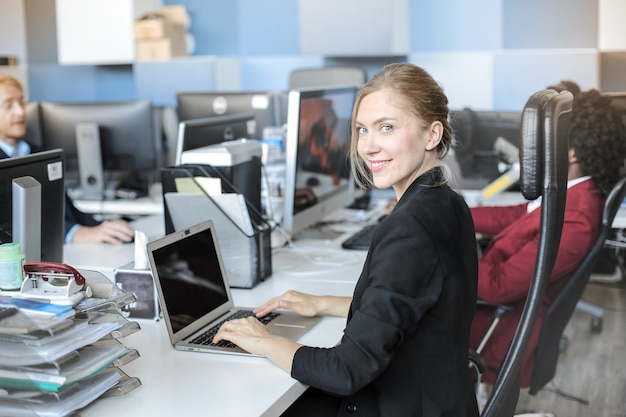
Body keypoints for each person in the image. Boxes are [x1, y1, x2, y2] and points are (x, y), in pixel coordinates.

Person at [214, 63, 480, 416]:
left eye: (387, 127)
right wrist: (324, 303)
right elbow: (413, 301)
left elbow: (346, 371)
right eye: (361, 130)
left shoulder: (409, 227)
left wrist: (264, 341)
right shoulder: (447, 202)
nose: (368, 146)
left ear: (432, 135)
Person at [469, 87, 626, 387]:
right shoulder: (570, 192)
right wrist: (444, 214)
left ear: (572, 152)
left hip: (496, 333)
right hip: (490, 314)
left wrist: (439, 254)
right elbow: (517, 215)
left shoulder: (576, 217)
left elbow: (499, 286)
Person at [0, 74, 134, 245]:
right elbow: (11, 226)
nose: (20, 111)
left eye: (21, 102)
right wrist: (74, 233)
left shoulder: (36, 152)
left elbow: (67, 210)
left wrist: (103, 227)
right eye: (8, 105)